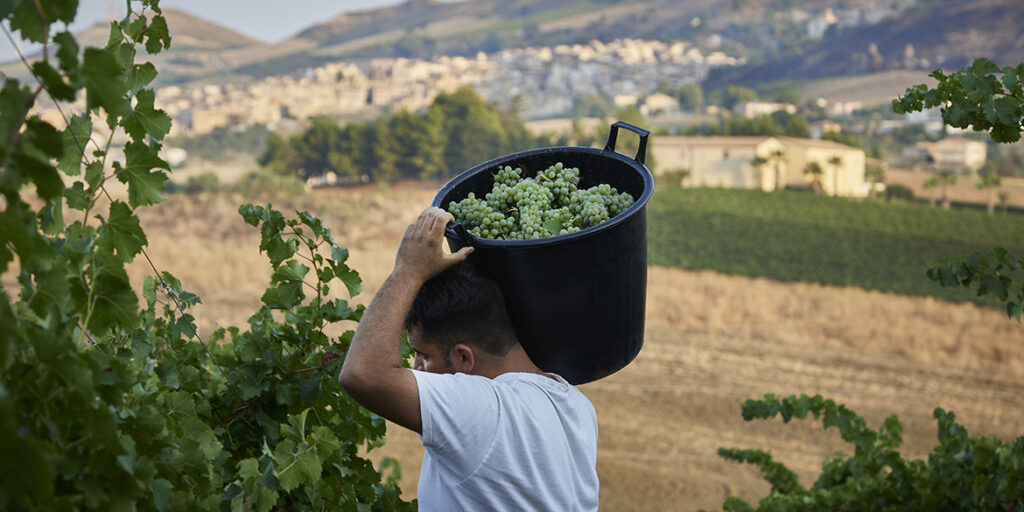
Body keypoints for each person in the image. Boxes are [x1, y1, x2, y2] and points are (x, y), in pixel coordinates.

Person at [338, 206, 599, 511]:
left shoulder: (485, 412)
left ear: (463, 358)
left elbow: (363, 375)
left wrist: (407, 271)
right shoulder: (576, 406)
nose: (415, 367)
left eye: (423, 355)